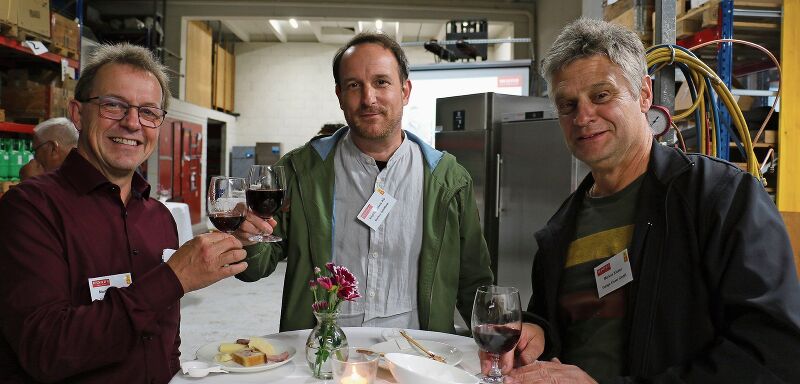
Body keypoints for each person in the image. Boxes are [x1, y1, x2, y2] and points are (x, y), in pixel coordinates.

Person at [481, 18, 800, 383]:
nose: (583, 116)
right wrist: (538, 333)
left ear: (644, 94)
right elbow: (567, 327)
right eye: (568, 105)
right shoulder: (560, 229)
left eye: (601, 95)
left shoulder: (721, 199)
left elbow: (773, 356)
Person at [0, 43, 247, 383]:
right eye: (113, 105)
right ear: (77, 113)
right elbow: (46, 350)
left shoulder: (159, 218)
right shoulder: (30, 209)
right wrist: (172, 278)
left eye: (148, 112)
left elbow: (165, 339)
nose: (133, 123)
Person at [235, 32, 493, 332]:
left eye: (381, 82)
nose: (369, 98)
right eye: (354, 85)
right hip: (322, 353)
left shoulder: (448, 179)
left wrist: (491, 342)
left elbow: (474, 281)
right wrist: (246, 238)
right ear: (340, 95)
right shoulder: (298, 171)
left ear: (405, 91)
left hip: (415, 355)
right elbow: (256, 267)